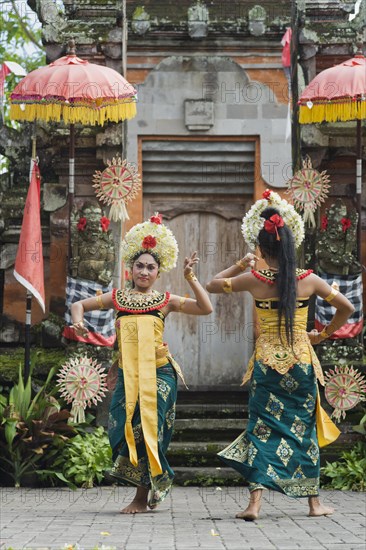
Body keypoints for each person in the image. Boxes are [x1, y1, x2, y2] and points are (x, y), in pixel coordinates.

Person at [206, 190, 354, 521]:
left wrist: (239, 264)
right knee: (304, 429)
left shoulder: (254, 280)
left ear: (262, 249)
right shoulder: (310, 280)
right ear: (290, 247)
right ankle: (314, 504)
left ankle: (255, 505)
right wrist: (322, 335)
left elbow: (213, 284)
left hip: (267, 364)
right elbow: (347, 308)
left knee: (262, 427)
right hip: (301, 361)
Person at [71, 213, 212, 513]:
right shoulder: (118, 298)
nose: (144, 272)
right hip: (127, 375)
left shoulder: (166, 300)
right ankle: (159, 480)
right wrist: (78, 322)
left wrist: (191, 278)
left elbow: (205, 307)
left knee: (148, 428)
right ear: (131, 269)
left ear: (158, 272)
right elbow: (77, 304)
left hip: (160, 374)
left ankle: (139, 498)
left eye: (150, 267)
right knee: (120, 428)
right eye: (139, 266)